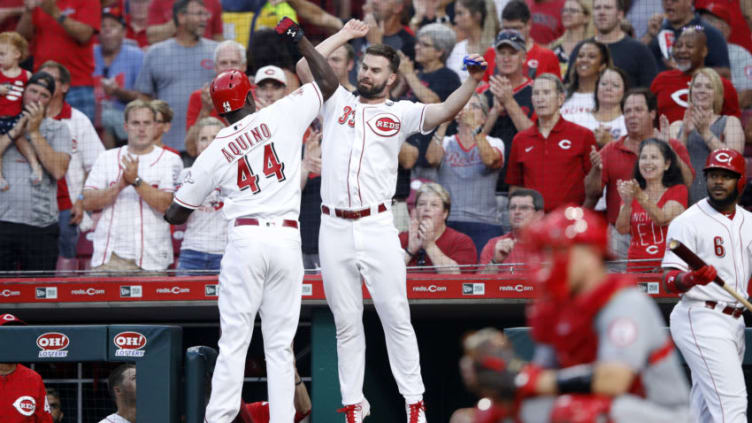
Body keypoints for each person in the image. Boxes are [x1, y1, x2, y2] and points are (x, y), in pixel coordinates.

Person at [296, 18, 489, 423]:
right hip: (333, 226)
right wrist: (346, 36)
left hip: (377, 224)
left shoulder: (399, 112)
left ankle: (413, 402)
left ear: (391, 78)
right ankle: (352, 404)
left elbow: (444, 109)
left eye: (375, 70)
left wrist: (471, 82)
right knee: (346, 322)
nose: (366, 73)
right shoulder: (336, 100)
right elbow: (302, 67)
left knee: (395, 315)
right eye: (364, 66)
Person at [164, 17, 338, 423]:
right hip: (285, 242)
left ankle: (219, 419)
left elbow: (175, 213)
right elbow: (328, 83)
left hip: (245, 241)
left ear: (216, 109)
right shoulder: (281, 113)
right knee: (280, 345)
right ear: (251, 95)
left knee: (235, 340)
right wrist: (299, 40)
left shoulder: (215, 148)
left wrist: (207, 186)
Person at [482, 205, 691, 421]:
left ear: (590, 254)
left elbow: (614, 380)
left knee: (576, 410)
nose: (551, 261)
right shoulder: (560, 307)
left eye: (559, 250)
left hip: (661, 413)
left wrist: (530, 380)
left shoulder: (624, 302)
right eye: (548, 252)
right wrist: (507, 379)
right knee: (496, 413)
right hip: (597, 405)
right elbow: (542, 374)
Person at [661, 148, 751, 423]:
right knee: (732, 405)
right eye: (713, 175)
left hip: (734, 319)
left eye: (726, 176)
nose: (718, 182)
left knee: (705, 410)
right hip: (700, 317)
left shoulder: (749, 221)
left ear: (740, 181)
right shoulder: (687, 222)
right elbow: (668, 281)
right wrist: (690, 279)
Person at [584, 88, 694, 261]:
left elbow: (688, 182)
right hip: (622, 235)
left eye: (638, 110)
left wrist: (670, 149)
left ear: (652, 113)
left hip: (663, 235)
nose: (632, 115)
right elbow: (592, 193)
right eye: (627, 111)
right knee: (619, 286)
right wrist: (596, 170)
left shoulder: (671, 145)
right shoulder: (611, 149)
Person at [83, 100, 182, 273]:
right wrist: (120, 185)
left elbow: (168, 206)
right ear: (125, 126)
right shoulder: (106, 158)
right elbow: (88, 201)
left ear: (155, 126)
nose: (141, 129)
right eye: (136, 123)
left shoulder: (171, 160)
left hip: (153, 257)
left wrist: (136, 181)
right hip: (110, 257)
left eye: (147, 123)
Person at [0, 71, 71, 271]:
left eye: (43, 95)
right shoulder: (2, 123)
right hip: (2, 223)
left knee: (41, 293)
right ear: (23, 92)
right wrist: (15, 130)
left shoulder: (59, 129)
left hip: (40, 227)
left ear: (50, 101)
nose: (36, 98)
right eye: (32, 91)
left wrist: (34, 131)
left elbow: (58, 171)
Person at [37, 61, 105, 267]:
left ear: (65, 86)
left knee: (66, 261)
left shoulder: (78, 120)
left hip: (67, 207)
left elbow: (98, 166)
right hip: (32, 206)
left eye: (51, 80)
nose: (44, 85)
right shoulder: (27, 119)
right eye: (40, 81)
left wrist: (82, 199)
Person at [134, 0, 218, 155]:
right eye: (199, 14)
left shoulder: (216, 51)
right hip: (167, 146)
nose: (205, 19)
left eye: (205, 14)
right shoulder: (156, 53)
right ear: (181, 17)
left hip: (208, 145)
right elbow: (143, 96)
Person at [506, 73, 597, 212]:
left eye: (546, 92)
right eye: (536, 93)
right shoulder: (520, 140)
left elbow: (595, 186)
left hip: (571, 223)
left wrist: (582, 215)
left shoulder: (583, 136)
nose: (540, 98)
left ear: (560, 99)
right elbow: (515, 188)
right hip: (533, 224)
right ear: (532, 99)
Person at [426, 94, 504, 253]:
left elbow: (490, 160)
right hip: (449, 223)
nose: (467, 110)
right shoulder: (446, 142)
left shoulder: (495, 142)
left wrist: (475, 128)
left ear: (484, 117)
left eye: (474, 106)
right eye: (463, 106)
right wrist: (443, 123)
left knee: (485, 274)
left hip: (485, 223)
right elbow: (431, 159)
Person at [669, 68, 745, 204]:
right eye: (697, 86)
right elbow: (670, 168)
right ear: (691, 92)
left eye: (708, 87)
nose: (702, 90)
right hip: (683, 206)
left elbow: (735, 163)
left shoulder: (730, 122)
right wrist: (685, 134)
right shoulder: (676, 126)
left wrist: (705, 133)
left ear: (717, 94)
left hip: (719, 205)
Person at [16, 0, 101, 122]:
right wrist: (28, 11)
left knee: (79, 137)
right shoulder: (40, 2)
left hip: (77, 84)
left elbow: (85, 35)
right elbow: (22, 39)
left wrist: (56, 13)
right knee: (38, 135)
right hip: (42, 85)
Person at [615, 138, 687, 272]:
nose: (648, 162)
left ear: (666, 164)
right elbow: (622, 229)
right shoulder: (633, 192)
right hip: (636, 266)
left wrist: (639, 196)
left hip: (667, 267)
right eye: (643, 157)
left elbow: (662, 219)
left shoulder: (678, 190)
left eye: (654, 157)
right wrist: (628, 202)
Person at [650, 27, 740, 124]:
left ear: (704, 51)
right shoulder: (662, 79)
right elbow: (650, 116)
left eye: (689, 46)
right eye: (678, 46)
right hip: (666, 138)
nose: (682, 50)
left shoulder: (722, 85)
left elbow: (733, 125)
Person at [481, 30, 534, 193]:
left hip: (522, 185)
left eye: (512, 53)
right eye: (502, 53)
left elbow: (535, 137)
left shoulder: (537, 91)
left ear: (524, 57)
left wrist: (509, 102)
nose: (506, 58)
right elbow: (474, 138)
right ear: (495, 58)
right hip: (486, 181)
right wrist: (495, 111)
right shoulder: (483, 94)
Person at [565, 0, 658, 89]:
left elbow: (650, 93)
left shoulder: (640, 51)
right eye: (597, 8)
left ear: (620, 15)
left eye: (607, 8)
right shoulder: (581, 49)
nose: (601, 12)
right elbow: (568, 86)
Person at [175, 117, 227, 275]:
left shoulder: (235, 174)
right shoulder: (185, 174)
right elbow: (178, 218)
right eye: (203, 138)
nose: (209, 143)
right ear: (196, 145)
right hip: (192, 252)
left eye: (215, 138)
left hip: (226, 253)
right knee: (183, 299)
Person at [93, 7, 144, 149]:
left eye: (113, 26)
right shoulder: (89, 54)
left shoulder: (136, 55)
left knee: (107, 116)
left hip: (125, 121)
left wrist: (117, 92)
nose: (107, 30)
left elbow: (143, 98)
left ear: (124, 32)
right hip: (91, 121)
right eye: (103, 26)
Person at [184, 39, 246, 155]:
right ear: (215, 67)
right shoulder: (199, 97)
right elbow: (191, 147)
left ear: (244, 66)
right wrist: (205, 110)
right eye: (223, 63)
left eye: (234, 62)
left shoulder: (254, 95)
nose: (229, 68)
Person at [400, 182, 478, 274]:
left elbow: (457, 276)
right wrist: (409, 251)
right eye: (421, 204)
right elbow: (387, 275)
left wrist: (429, 246)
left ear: (445, 213)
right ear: (416, 210)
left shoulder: (462, 241)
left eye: (434, 205)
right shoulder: (402, 238)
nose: (427, 208)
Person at [644, 0, 730, 78]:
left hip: (693, 91)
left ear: (689, 2)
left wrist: (685, 69)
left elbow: (725, 74)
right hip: (659, 91)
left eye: (675, 0)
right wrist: (649, 35)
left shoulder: (709, 32)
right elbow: (636, 60)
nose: (668, 3)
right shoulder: (657, 29)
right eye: (665, 0)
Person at [483, 1, 561, 82]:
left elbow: (556, 92)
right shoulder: (490, 54)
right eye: (506, 28)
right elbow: (481, 90)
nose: (511, 33)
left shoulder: (547, 57)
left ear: (529, 25)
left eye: (516, 28)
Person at [697, 2, 752, 110]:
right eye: (702, 21)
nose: (704, 25)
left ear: (726, 30)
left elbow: (748, 94)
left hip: (731, 116)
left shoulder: (739, 54)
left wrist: (717, 113)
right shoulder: (691, 52)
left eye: (710, 21)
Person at [0, 313, 54, 423]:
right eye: (7, 335)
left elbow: (45, 420)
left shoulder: (33, 379)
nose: (13, 341)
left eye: (16, 336)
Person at [477, 188, 543, 273]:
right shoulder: (494, 244)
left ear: (539, 215)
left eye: (524, 208)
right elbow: (480, 284)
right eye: (512, 207)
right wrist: (495, 261)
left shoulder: (551, 247)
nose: (517, 212)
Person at [0, 31, 34, 192]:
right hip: (0, 118)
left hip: (17, 118)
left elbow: (33, 94)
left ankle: (36, 167)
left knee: (22, 142)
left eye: (2, 54)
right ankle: (0, 178)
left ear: (16, 54)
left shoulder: (26, 75)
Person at [446, 0, 499, 81]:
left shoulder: (497, 48)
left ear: (477, 16)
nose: (455, 19)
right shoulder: (456, 50)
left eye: (460, 13)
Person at [560, 40, 610, 122]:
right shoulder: (561, 95)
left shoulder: (608, 97)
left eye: (591, 57)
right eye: (580, 56)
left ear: (602, 66)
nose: (584, 60)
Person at [579, 66, 628, 147]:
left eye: (615, 85)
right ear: (596, 88)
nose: (608, 88)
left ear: (624, 92)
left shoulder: (629, 122)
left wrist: (610, 143)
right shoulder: (580, 119)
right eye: (604, 84)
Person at [146, 0, 223, 44]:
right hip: (171, 55)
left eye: (205, 14)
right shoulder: (160, 1)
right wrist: (184, 18)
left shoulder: (214, 2)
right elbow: (152, 38)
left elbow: (218, 36)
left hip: (204, 54)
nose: (203, 18)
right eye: (200, 14)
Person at [548, 0, 591, 77]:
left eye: (573, 11)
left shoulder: (593, 48)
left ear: (586, 18)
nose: (567, 14)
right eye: (564, 10)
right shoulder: (553, 47)